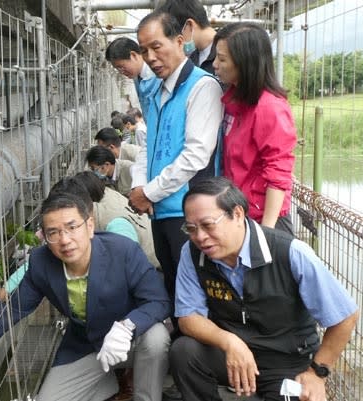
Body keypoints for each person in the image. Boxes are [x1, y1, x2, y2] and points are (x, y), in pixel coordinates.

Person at [0, 191, 171, 401]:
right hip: (87, 345)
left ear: (89, 226)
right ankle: (106, 381)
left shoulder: (122, 250)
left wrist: (126, 326)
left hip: (130, 341)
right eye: (54, 233)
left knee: (157, 337)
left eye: (72, 227)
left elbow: (158, 301)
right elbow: (15, 310)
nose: (65, 240)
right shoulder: (41, 262)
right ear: (45, 237)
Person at [169, 176, 359, 401]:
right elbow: (188, 316)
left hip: (286, 362)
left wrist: (318, 373)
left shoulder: (291, 252)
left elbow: (345, 316)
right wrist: (230, 342)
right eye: (191, 228)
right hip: (232, 354)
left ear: (237, 214)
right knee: (184, 351)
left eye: (208, 225)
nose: (200, 237)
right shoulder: (192, 254)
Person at [129, 10, 223, 316]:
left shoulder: (202, 86)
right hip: (160, 210)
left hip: (189, 213)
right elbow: (148, 146)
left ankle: (194, 355)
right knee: (172, 282)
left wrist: (150, 192)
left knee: (195, 291)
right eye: (144, 50)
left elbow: (196, 154)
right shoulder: (156, 90)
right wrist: (138, 185)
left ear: (180, 41)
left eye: (157, 46)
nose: (151, 57)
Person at [213, 22, 297, 234]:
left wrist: (267, 233)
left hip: (265, 220)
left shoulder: (270, 108)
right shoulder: (234, 102)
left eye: (222, 59)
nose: (215, 64)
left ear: (245, 63)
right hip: (240, 212)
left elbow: (278, 172)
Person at [105, 37, 160, 119]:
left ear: (133, 55)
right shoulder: (137, 78)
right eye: (117, 69)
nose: (121, 72)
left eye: (121, 67)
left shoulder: (157, 75)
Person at [157, 0, 218, 74]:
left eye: (174, 36)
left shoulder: (229, 51)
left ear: (189, 25)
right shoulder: (190, 58)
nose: (176, 43)